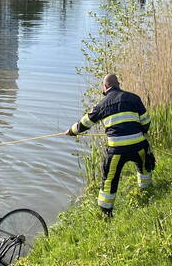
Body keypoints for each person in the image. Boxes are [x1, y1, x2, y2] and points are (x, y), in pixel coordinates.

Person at [66, 73, 154, 217]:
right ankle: (147, 195)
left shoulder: (101, 105)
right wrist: (141, 132)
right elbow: (146, 121)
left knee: (109, 179)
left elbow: (84, 123)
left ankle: (106, 212)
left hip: (117, 149)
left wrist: (72, 131)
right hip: (138, 144)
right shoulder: (134, 98)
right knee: (144, 168)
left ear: (105, 87)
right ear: (118, 84)